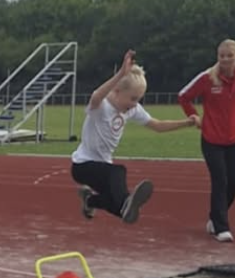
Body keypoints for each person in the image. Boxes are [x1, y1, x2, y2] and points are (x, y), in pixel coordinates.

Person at [72, 50, 199, 224]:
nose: (135, 104)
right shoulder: (101, 106)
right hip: (82, 165)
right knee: (118, 172)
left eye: (138, 99)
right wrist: (120, 74)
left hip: (103, 167)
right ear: (117, 91)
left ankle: (90, 201)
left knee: (117, 206)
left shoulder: (132, 109)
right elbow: (95, 96)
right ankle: (126, 201)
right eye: (132, 98)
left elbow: (157, 125)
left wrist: (186, 123)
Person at [178, 39, 235, 243]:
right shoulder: (207, 78)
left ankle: (215, 216)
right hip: (212, 139)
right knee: (220, 180)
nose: (225, 59)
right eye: (222, 56)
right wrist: (193, 115)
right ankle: (221, 227)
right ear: (217, 57)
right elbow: (183, 96)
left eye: (230, 55)